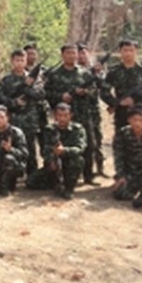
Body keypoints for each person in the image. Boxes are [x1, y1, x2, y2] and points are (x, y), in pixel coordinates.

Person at [43, 44, 98, 185]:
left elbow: (94, 92)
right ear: (62, 55)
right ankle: (62, 175)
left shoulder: (85, 73)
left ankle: (88, 176)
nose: (72, 56)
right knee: (60, 145)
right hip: (62, 118)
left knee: (89, 145)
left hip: (83, 114)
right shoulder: (54, 74)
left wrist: (84, 92)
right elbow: (46, 93)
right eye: (68, 53)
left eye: (74, 53)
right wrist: (61, 96)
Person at [0, 49, 45, 176]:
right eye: (17, 60)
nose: (19, 63)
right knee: (12, 146)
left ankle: (32, 174)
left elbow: (41, 94)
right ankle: (14, 174)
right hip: (13, 118)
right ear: (12, 61)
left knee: (30, 148)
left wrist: (28, 88)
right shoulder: (6, 80)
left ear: (26, 61)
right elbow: (0, 98)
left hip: (30, 118)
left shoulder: (34, 78)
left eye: (22, 60)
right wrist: (14, 103)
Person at [100, 39, 142, 131]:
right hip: (122, 112)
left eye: (131, 50)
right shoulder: (114, 71)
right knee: (123, 140)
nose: (128, 53)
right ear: (120, 51)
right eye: (125, 50)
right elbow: (104, 92)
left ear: (136, 51)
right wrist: (117, 102)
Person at [37, 103, 86, 199]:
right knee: (31, 182)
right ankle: (56, 183)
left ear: (71, 115)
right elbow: (45, 149)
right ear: (55, 116)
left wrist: (64, 150)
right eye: (59, 115)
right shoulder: (49, 129)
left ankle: (69, 188)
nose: (62, 119)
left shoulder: (78, 129)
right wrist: (51, 160)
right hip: (54, 161)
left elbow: (80, 148)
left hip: (69, 161)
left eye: (65, 115)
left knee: (78, 160)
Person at [0, 106, 29, 196]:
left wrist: (11, 149)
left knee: (9, 158)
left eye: (1, 117)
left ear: (8, 118)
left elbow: (25, 154)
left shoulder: (16, 133)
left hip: (14, 166)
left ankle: (5, 185)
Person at [77, 43, 107, 177]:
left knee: (97, 139)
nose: (81, 56)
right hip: (77, 111)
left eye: (84, 53)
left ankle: (100, 168)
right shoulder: (75, 70)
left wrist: (98, 72)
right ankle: (82, 171)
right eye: (79, 53)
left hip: (93, 110)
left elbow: (103, 86)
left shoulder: (95, 69)